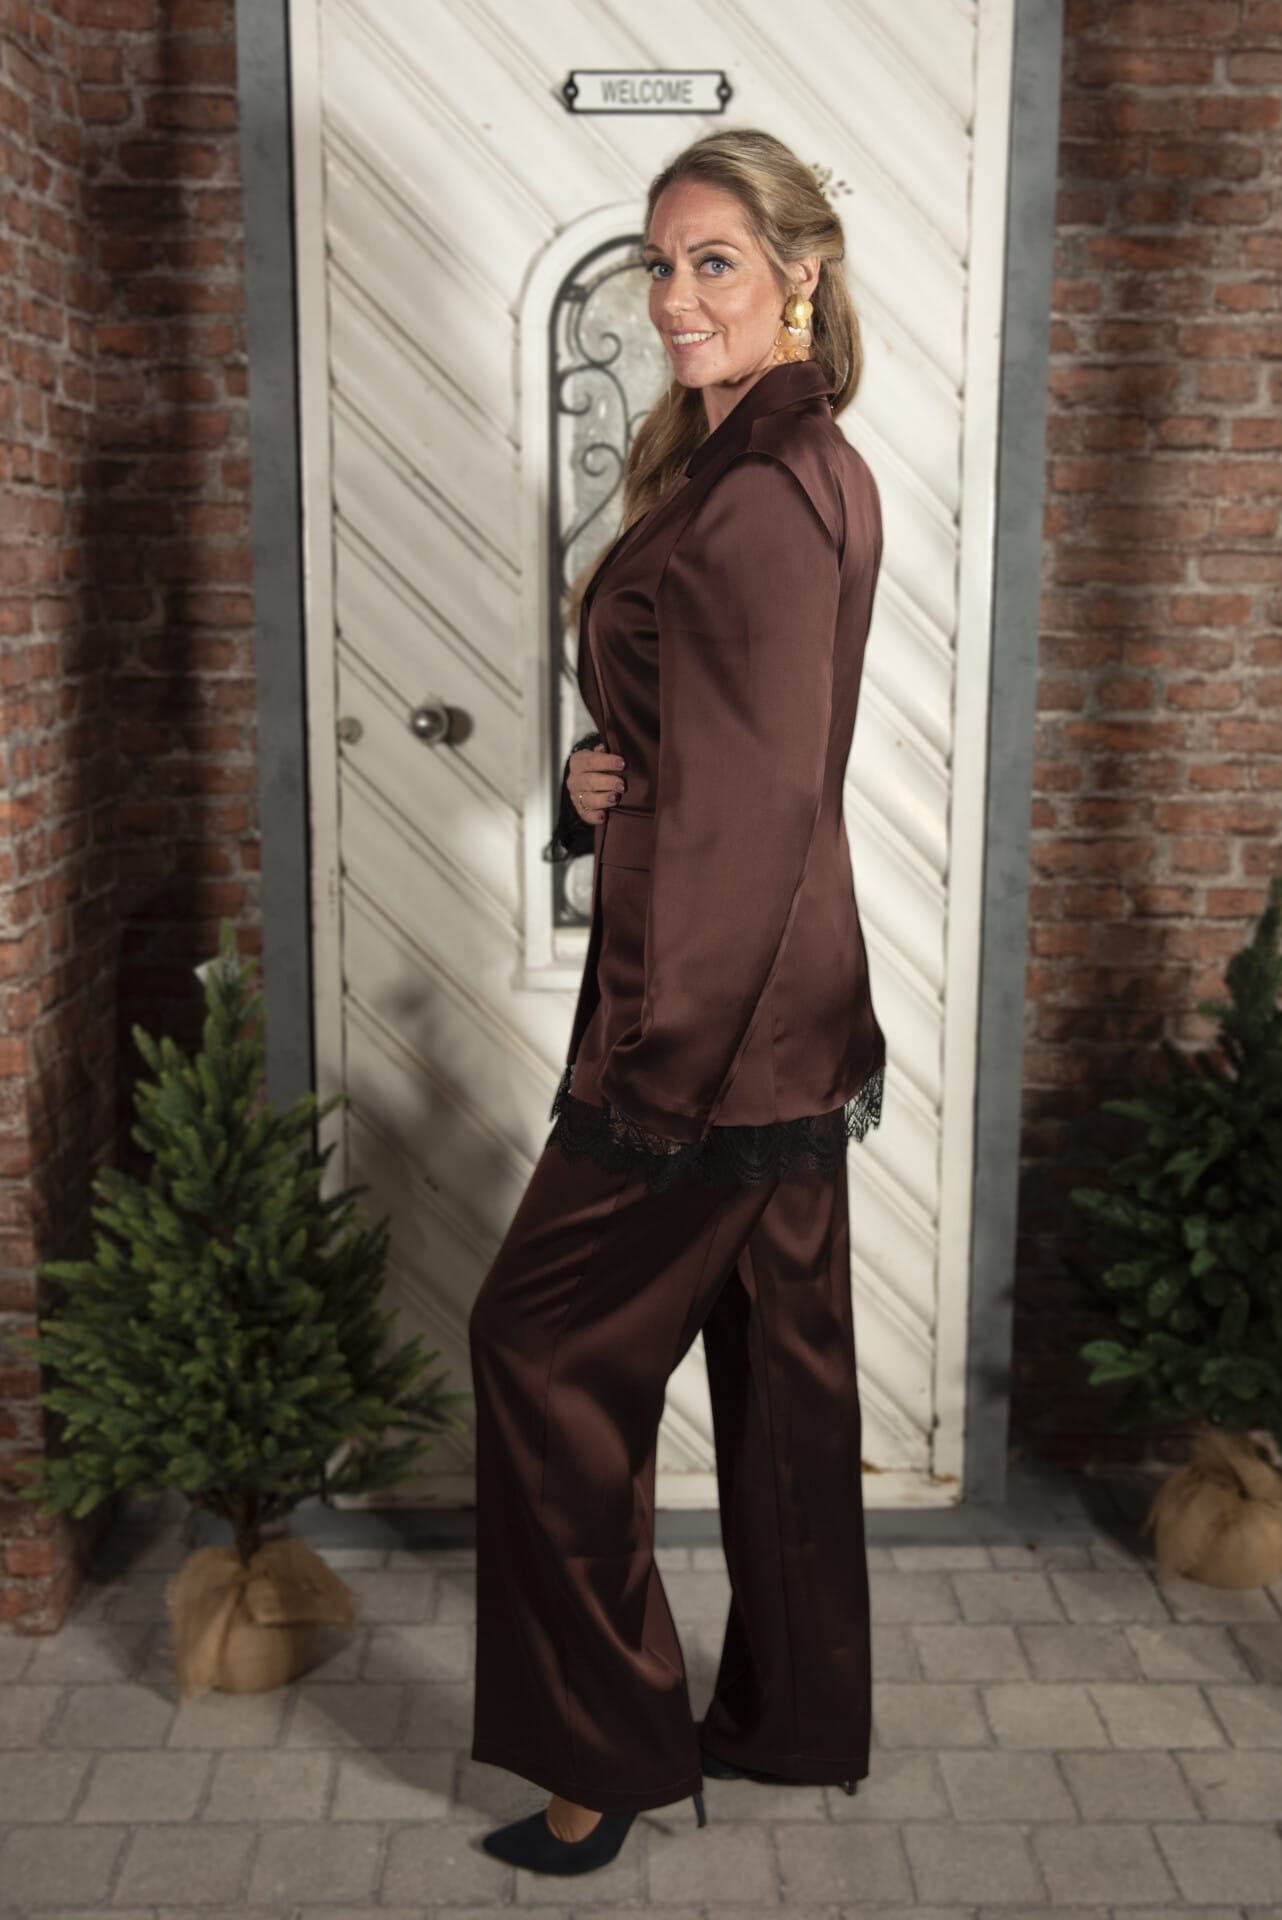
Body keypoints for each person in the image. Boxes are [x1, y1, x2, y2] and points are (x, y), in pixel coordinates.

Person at [468, 125, 886, 1878]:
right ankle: (793, 1719)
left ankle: (604, 1753)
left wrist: (654, 1066)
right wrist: (599, 778)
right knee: (781, 1377)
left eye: (712, 259)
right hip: (778, 1009)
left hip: (704, 1022)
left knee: (537, 1346)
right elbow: (720, 755)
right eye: (658, 262)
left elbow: (758, 810)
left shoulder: (770, 487)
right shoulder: (766, 462)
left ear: (797, 271)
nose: (672, 295)